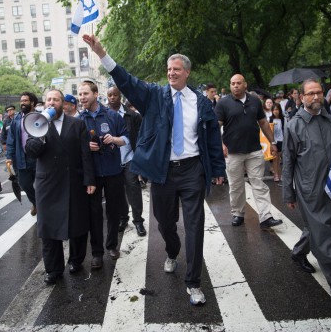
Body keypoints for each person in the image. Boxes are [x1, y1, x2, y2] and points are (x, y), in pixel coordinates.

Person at [83, 34, 225, 306]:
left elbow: (211, 140)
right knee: (164, 221)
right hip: (163, 172)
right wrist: (102, 53)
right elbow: (126, 80)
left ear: (187, 72)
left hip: (193, 169)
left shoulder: (201, 102)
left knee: (195, 225)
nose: (171, 73)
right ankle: (172, 251)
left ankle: (193, 283)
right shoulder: (153, 96)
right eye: (169, 69)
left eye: (176, 69)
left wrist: (217, 168)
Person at [282, 79, 331, 308]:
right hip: (310, 190)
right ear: (301, 97)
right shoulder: (294, 125)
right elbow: (288, 162)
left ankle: (299, 252)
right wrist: (288, 193)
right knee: (323, 233)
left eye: (319, 92)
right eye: (310, 93)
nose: (316, 97)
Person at [25, 90, 96, 283]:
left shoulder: (77, 124)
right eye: (48, 99)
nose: (51, 102)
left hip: (73, 181)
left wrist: (89, 179)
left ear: (62, 103)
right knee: (48, 228)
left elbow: (85, 154)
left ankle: (76, 260)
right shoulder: (36, 123)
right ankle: (53, 270)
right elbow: (31, 152)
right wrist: (40, 134)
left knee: (77, 224)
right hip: (47, 184)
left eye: (56, 99)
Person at [215, 75, 282, 230]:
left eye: (238, 83)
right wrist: (221, 144)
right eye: (232, 83)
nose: (235, 86)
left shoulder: (255, 101)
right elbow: (216, 126)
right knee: (236, 185)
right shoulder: (223, 103)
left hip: (254, 150)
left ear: (245, 85)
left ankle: (266, 216)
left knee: (259, 184)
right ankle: (238, 213)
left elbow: (263, 123)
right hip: (233, 152)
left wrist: (272, 142)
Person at [78, 82, 129, 267]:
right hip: (91, 174)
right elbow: (73, 146)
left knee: (113, 210)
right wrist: (85, 146)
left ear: (95, 94)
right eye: (80, 94)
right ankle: (97, 253)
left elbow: (126, 139)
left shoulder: (113, 116)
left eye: (85, 93)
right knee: (94, 213)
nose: (82, 97)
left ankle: (112, 245)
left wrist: (114, 139)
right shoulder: (79, 119)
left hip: (113, 170)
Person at [107, 86, 147, 237]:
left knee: (133, 188)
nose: (112, 97)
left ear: (120, 97)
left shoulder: (132, 116)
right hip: (112, 160)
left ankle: (138, 221)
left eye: (115, 95)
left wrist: (140, 157)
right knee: (117, 191)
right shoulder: (104, 115)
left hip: (130, 157)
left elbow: (141, 137)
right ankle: (123, 218)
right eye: (109, 95)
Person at [6, 92, 38, 216]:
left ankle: (42, 205)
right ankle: (36, 203)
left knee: (42, 185)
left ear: (32, 103)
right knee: (24, 184)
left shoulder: (40, 117)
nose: (22, 103)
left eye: (25, 100)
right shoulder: (16, 119)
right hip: (22, 158)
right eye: (21, 101)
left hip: (38, 158)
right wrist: (9, 156)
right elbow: (11, 139)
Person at [269, 103, 285, 182]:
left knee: (279, 159)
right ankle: (275, 174)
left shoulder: (283, 119)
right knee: (275, 158)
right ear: (272, 111)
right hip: (273, 141)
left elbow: (285, 130)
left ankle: (280, 173)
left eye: (277, 109)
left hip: (281, 140)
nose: (276, 111)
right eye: (274, 110)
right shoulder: (270, 119)